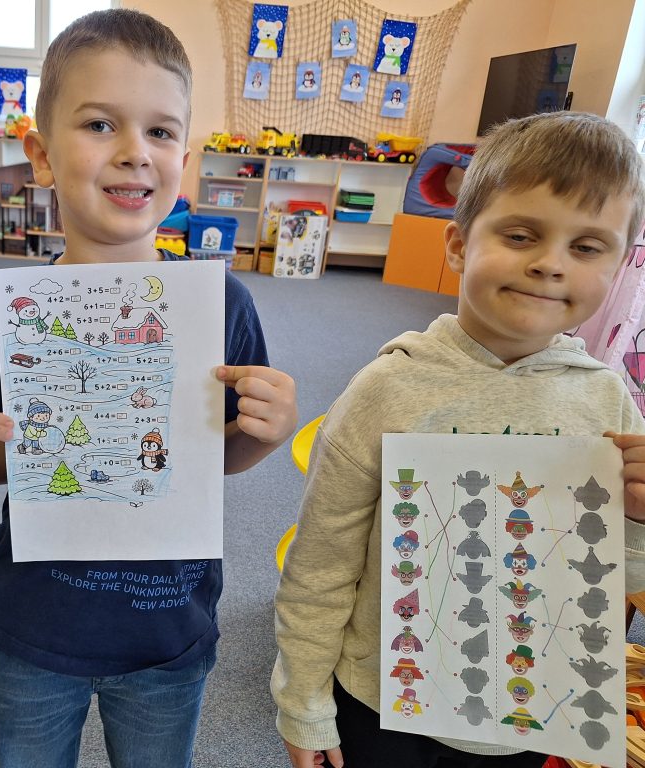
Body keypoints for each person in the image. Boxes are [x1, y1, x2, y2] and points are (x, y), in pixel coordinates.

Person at [0, 9, 297, 768]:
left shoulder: (221, 306)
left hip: (167, 630)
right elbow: (0, 465)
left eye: (160, 132)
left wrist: (267, 429)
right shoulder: (5, 313)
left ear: (182, 159)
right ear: (41, 155)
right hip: (31, 628)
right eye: (99, 125)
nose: (134, 152)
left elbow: (214, 459)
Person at [271, 110, 645, 768]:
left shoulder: (608, 403)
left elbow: (620, 581)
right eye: (521, 235)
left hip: (527, 709)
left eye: (587, 248)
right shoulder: (385, 389)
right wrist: (302, 699)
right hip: (382, 702)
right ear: (457, 246)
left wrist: (638, 519)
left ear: (618, 268)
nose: (549, 265)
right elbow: (322, 563)